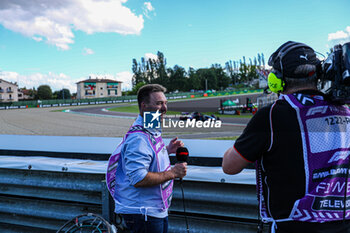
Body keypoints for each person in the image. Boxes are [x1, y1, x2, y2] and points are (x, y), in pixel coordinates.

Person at [222, 41, 350, 233]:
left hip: (293, 226)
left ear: (277, 79)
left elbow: (229, 166)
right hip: (343, 223)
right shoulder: (344, 111)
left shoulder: (272, 115)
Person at [106, 84, 187, 233]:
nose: (164, 108)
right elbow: (138, 178)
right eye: (159, 103)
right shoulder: (139, 138)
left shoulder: (149, 128)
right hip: (142, 214)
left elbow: (148, 156)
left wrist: (167, 150)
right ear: (144, 106)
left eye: (165, 103)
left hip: (152, 211)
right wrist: (173, 173)